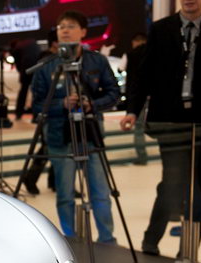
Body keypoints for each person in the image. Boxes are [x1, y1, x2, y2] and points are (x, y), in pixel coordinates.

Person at [121, 0, 201, 256]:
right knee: (172, 181)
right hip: (170, 119)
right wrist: (132, 110)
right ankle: (151, 240)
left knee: (200, 185)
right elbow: (145, 73)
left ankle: (189, 250)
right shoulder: (161, 28)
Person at [31, 11, 120, 242]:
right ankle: (70, 240)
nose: (65, 30)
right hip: (60, 137)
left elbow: (113, 93)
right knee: (65, 195)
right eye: (61, 27)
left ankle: (107, 239)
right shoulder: (46, 66)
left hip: (91, 134)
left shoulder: (96, 61)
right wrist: (62, 104)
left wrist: (92, 104)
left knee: (100, 192)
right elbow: (37, 104)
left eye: (70, 26)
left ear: (83, 32)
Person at [22, 29, 59, 195]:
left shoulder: (52, 59)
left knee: (54, 147)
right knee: (48, 147)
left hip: (56, 112)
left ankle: (54, 181)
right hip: (49, 111)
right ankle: (31, 178)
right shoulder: (47, 62)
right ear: (55, 43)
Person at [124, 33, 149, 165]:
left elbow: (122, 69)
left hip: (137, 97)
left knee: (138, 128)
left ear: (135, 42)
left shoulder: (130, 55)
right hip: (154, 95)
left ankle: (142, 156)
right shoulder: (154, 52)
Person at [11, 38, 40, 120]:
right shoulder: (32, 42)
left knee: (23, 92)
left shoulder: (17, 48)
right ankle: (36, 115)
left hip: (26, 69)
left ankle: (18, 113)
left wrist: (21, 71)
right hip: (37, 67)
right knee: (36, 92)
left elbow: (17, 64)